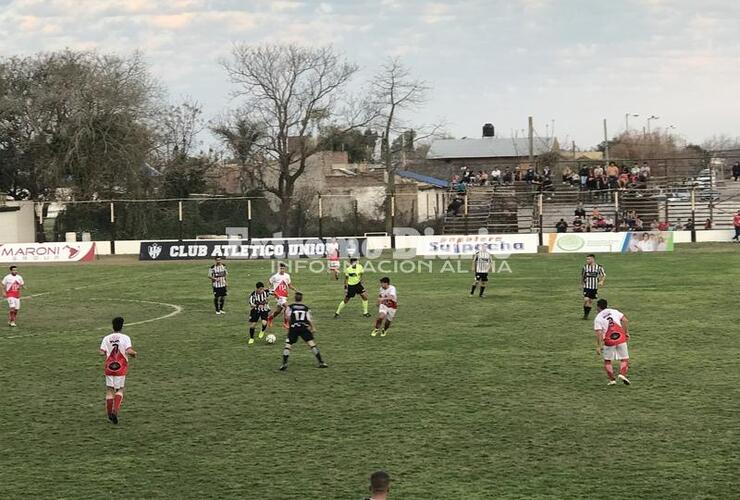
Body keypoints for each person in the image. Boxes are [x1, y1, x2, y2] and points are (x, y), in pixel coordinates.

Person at [99, 317, 138, 424]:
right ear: (122, 326)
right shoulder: (125, 338)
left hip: (109, 367)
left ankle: (109, 414)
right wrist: (134, 354)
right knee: (120, 390)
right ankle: (115, 411)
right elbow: (128, 350)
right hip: (120, 367)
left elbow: (101, 352)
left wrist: (108, 353)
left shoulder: (106, 338)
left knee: (109, 390)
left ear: (113, 326)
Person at [279, 292, 327, 370]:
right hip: (304, 327)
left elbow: (287, 317)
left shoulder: (290, 307)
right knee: (311, 344)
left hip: (294, 328)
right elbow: (309, 319)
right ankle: (321, 362)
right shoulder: (306, 308)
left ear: (295, 298)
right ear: (301, 299)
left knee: (288, 345)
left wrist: (290, 324)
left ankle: (284, 364)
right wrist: (313, 327)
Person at [593, 299, 630, 385]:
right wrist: (626, 332)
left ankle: (612, 380)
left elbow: (598, 332)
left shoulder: (598, 318)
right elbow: (625, 320)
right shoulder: (614, 311)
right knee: (624, 358)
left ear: (598, 307)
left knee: (607, 360)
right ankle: (622, 374)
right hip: (620, 337)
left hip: (609, 341)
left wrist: (599, 346)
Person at [267, 263, 298, 327]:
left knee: (278, 311)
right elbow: (269, 283)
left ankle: (269, 318)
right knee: (287, 307)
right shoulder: (275, 276)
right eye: (281, 268)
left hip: (284, 295)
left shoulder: (287, 276)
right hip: (278, 296)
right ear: (278, 269)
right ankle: (285, 323)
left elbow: (289, 285)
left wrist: (295, 289)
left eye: (283, 268)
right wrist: (270, 290)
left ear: (285, 269)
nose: (282, 270)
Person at [581, 254, 605, 320]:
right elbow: (583, 276)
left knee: (590, 301)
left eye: (588, 259)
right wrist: (582, 284)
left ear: (592, 259)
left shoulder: (599, 267)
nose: (587, 260)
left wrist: (601, 281)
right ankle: (586, 314)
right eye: (587, 259)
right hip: (587, 286)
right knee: (586, 299)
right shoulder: (585, 267)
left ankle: (586, 315)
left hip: (594, 287)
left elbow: (603, 275)